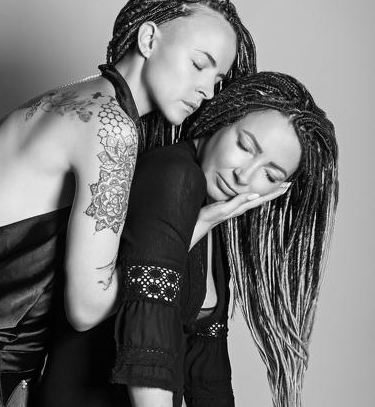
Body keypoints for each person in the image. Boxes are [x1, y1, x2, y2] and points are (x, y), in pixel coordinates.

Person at [0, 0, 258, 406]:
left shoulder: (69, 102)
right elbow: (86, 309)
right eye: (199, 64)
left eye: (218, 79)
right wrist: (189, 232)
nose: (207, 90)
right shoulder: (110, 128)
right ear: (148, 39)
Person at [36, 72, 338, 407]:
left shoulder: (214, 212)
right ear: (222, 117)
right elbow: (149, 339)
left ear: (280, 189)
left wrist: (205, 222)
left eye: (269, 174)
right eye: (244, 146)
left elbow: (206, 371)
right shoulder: (176, 176)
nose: (244, 176)